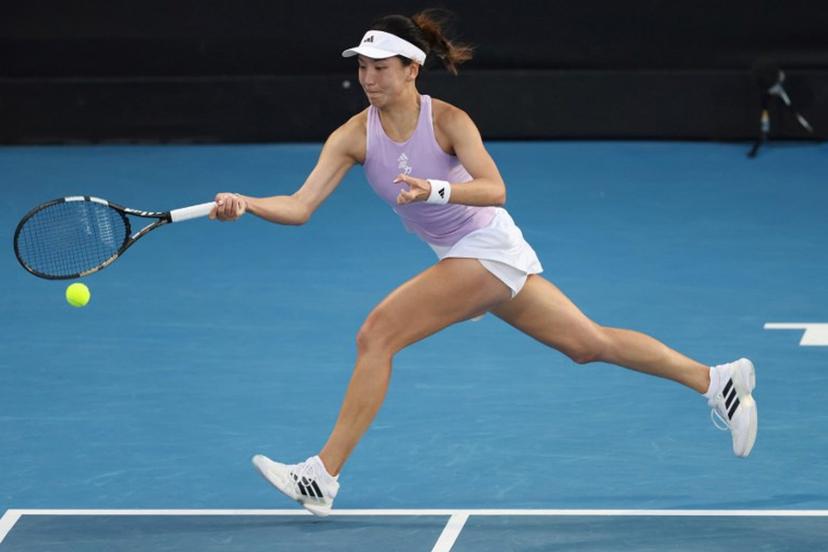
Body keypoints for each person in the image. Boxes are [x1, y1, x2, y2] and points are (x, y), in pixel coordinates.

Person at [209, 11, 758, 516]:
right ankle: (715, 381)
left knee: (376, 335)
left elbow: (495, 188)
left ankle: (322, 475)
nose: (368, 78)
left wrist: (436, 190)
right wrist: (249, 204)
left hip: (487, 247)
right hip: (461, 254)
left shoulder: (449, 120)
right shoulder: (354, 135)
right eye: (362, 68)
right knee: (588, 345)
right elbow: (301, 207)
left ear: (411, 69)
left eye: (380, 68)